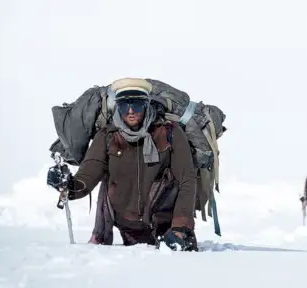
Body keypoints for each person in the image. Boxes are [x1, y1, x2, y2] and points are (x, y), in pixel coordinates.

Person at [47, 77, 198, 251]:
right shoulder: (107, 136)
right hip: (128, 231)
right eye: (125, 105)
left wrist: (180, 227)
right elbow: (88, 174)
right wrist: (68, 185)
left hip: (168, 229)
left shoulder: (169, 132)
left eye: (137, 104)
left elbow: (187, 180)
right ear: (118, 106)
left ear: (146, 104)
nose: (131, 111)